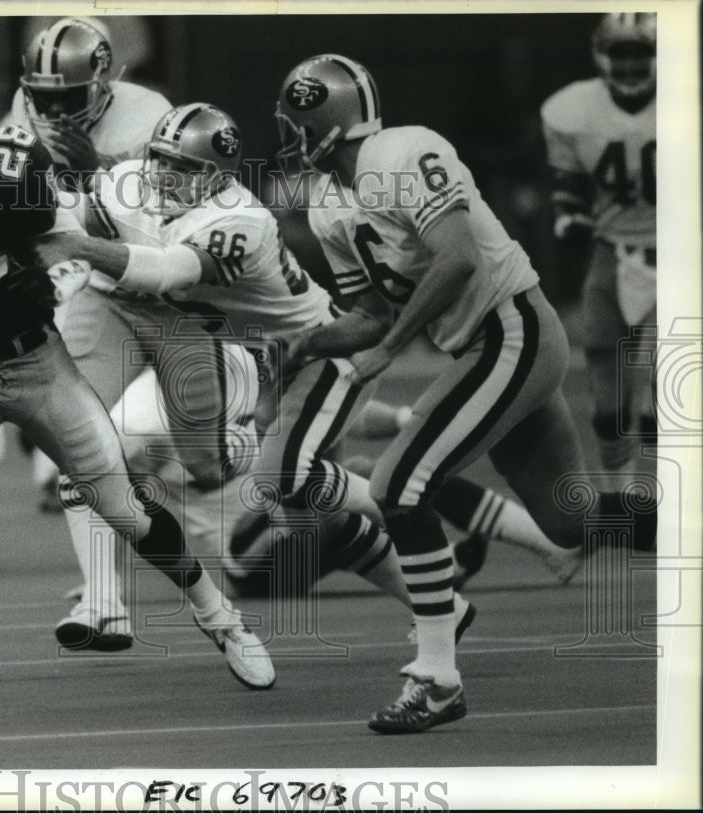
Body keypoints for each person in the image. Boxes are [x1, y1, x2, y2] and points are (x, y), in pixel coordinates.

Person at [0, 64, 274, 691]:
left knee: (121, 507)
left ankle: (221, 619)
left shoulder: (7, 166)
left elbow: (65, 243)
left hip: (37, 362)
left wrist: (51, 268)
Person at [271, 54, 656, 733]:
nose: (289, 136)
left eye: (297, 123)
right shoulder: (328, 203)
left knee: (396, 485)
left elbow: (459, 259)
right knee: (570, 519)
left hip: (512, 329)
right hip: (482, 346)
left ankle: (438, 677)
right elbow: (373, 315)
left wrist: (388, 352)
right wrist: (309, 341)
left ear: (324, 123)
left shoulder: (406, 151)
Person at [34, 102, 478, 653]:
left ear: (219, 177)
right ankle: (443, 605)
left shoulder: (239, 220)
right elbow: (89, 213)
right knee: (315, 518)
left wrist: (76, 242)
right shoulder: (131, 180)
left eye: (186, 169)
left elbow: (168, 271)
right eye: (161, 160)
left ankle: (395, 491)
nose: (165, 176)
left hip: (322, 354)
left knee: (284, 479)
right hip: (266, 360)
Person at [0, 16, 174, 512]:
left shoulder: (150, 114)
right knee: (75, 426)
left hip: (173, 290)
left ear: (103, 82)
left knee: (210, 458)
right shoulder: (24, 109)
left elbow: (159, 227)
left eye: (68, 96)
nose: (53, 109)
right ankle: (101, 585)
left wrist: (95, 172)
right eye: (43, 96)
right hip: (99, 285)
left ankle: (158, 462)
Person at [541, 12, 657, 474]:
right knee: (605, 388)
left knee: (656, 386)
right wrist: (569, 214)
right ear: (601, 56)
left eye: (641, 53)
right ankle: (619, 497)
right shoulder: (572, 110)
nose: (630, 66)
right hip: (612, 251)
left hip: (678, 254)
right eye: (621, 54)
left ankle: (659, 496)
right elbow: (568, 182)